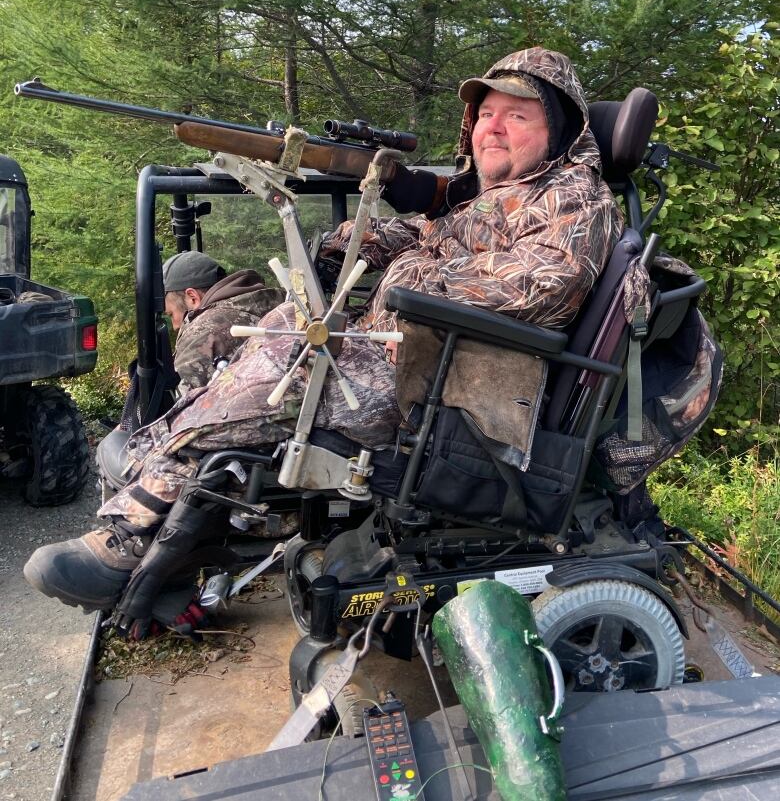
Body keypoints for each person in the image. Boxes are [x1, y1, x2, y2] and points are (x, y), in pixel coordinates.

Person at [24, 47, 623, 613]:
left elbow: (544, 287)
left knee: (285, 367)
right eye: (486, 113)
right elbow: (426, 237)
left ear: (561, 133)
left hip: (450, 388)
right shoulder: (487, 197)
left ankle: (131, 529)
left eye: (516, 116)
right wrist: (345, 244)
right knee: (281, 327)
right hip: (413, 357)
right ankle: (174, 519)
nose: (493, 127)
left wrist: (414, 288)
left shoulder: (574, 199)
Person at [161, 252, 283, 392]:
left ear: (192, 297)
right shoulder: (274, 301)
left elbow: (182, 407)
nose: (175, 326)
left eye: (171, 314)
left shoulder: (201, 334)